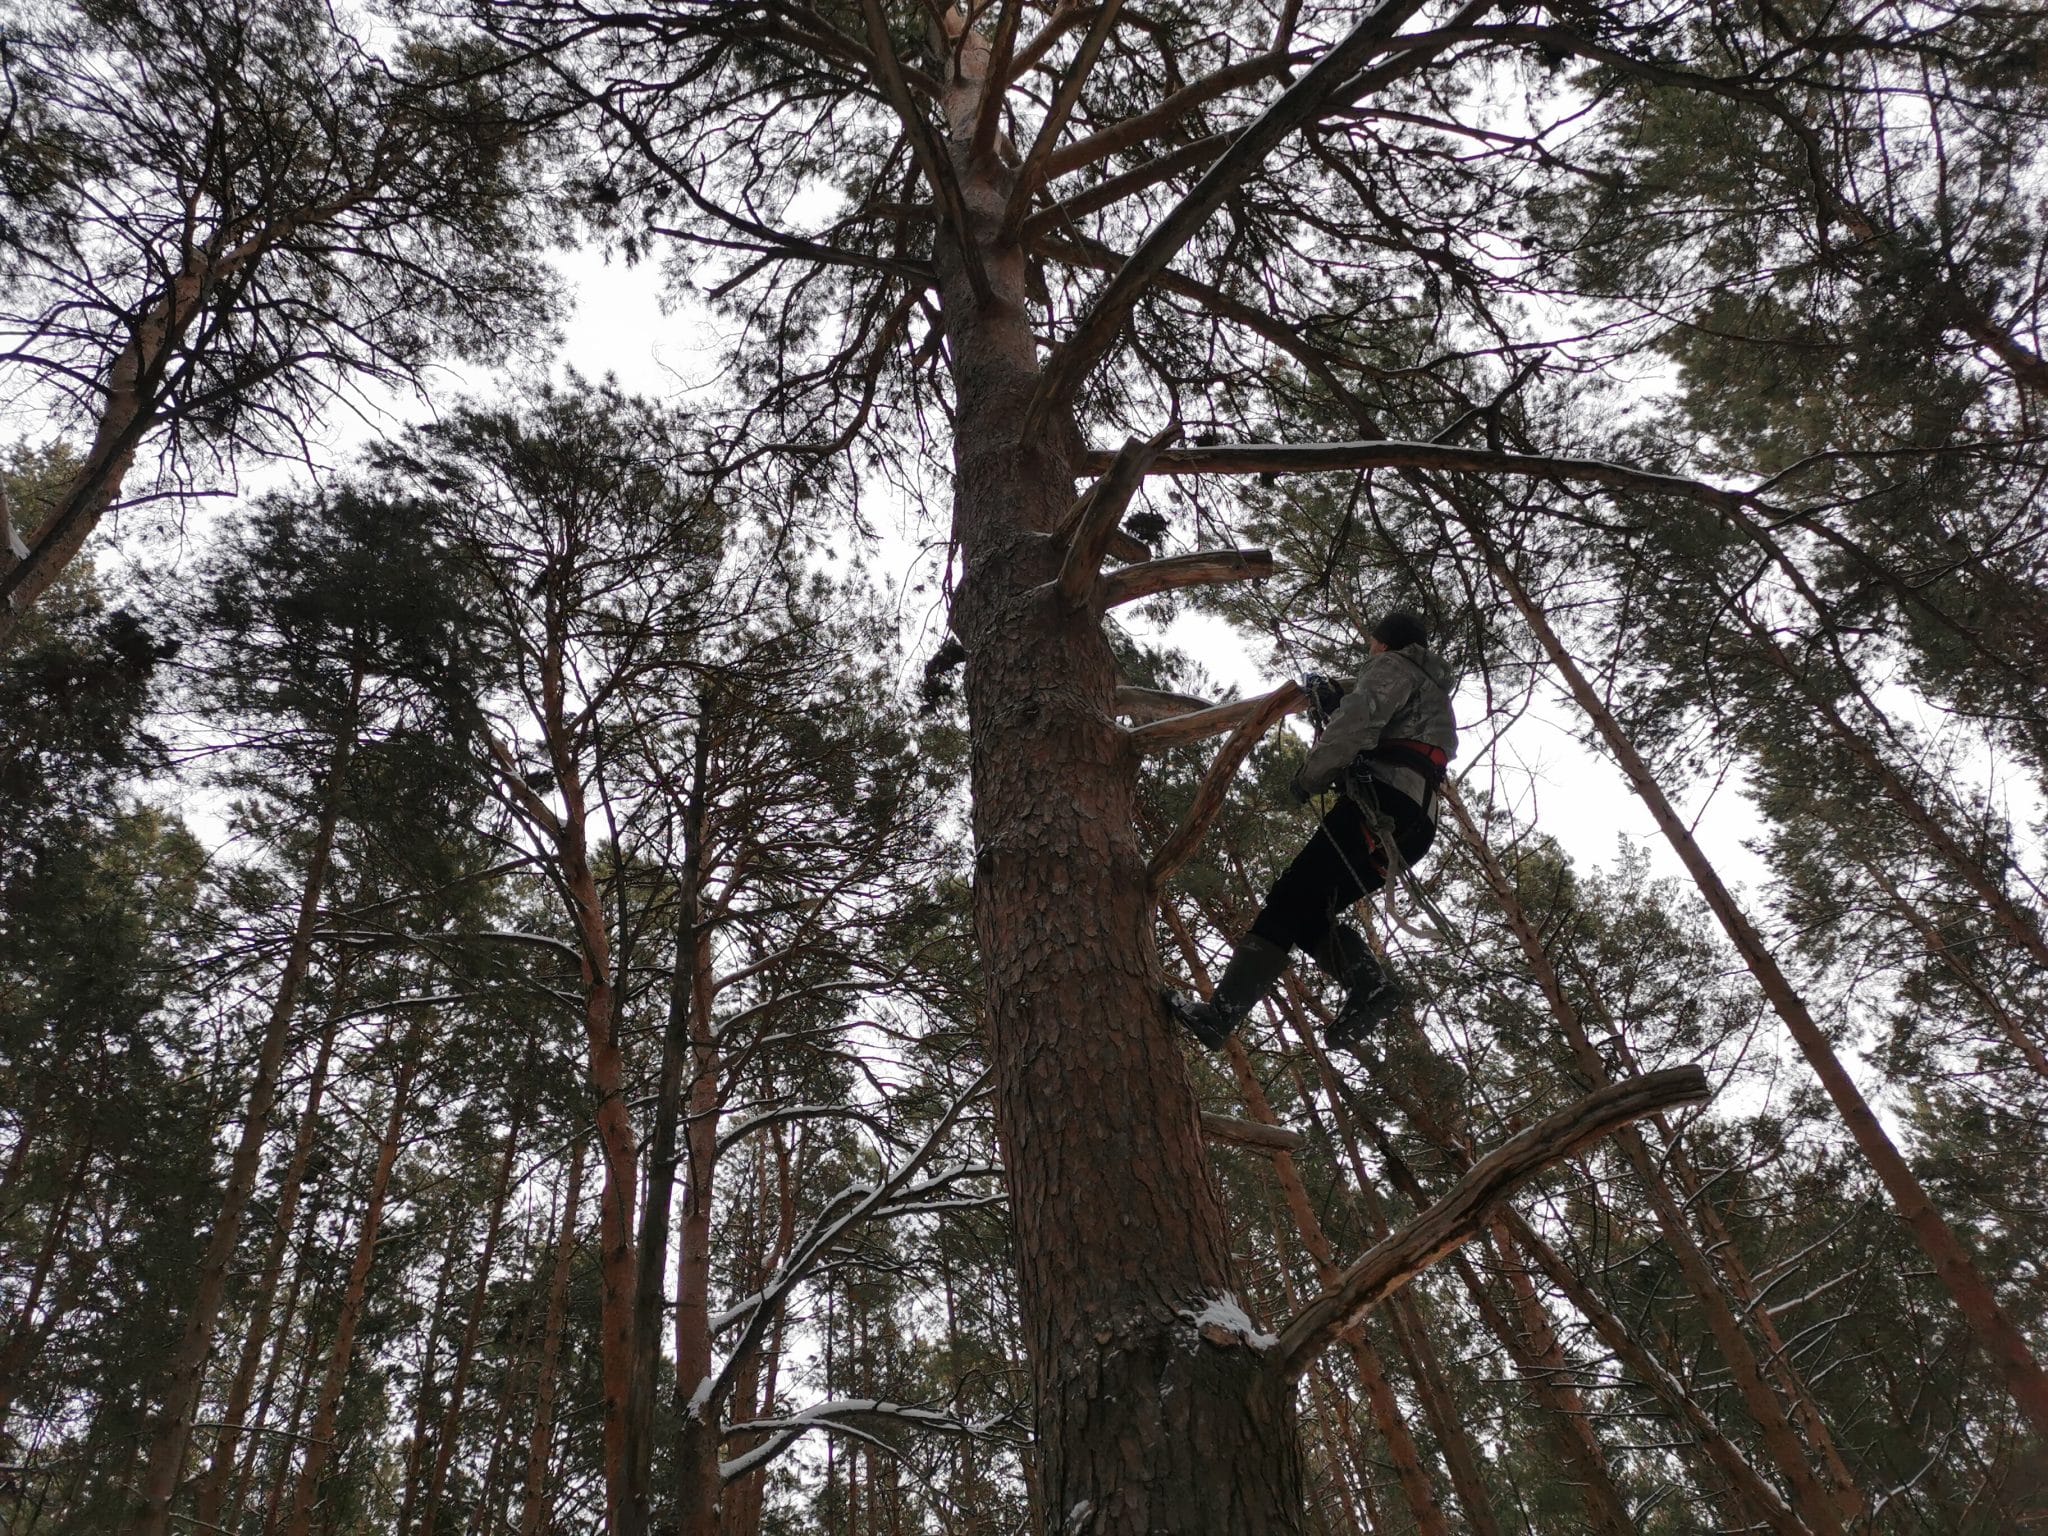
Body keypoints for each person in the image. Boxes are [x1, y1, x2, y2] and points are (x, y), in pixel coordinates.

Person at [1165, 608, 1459, 1051]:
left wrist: (1308, 779)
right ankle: (1367, 986)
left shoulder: (1392, 666)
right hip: (1414, 826)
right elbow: (1379, 722)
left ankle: (1223, 1014)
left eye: (1373, 642)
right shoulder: (1430, 692)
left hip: (1384, 805)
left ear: (1384, 642)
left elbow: (1357, 723)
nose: (1370, 649)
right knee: (1305, 908)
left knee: (1289, 897)